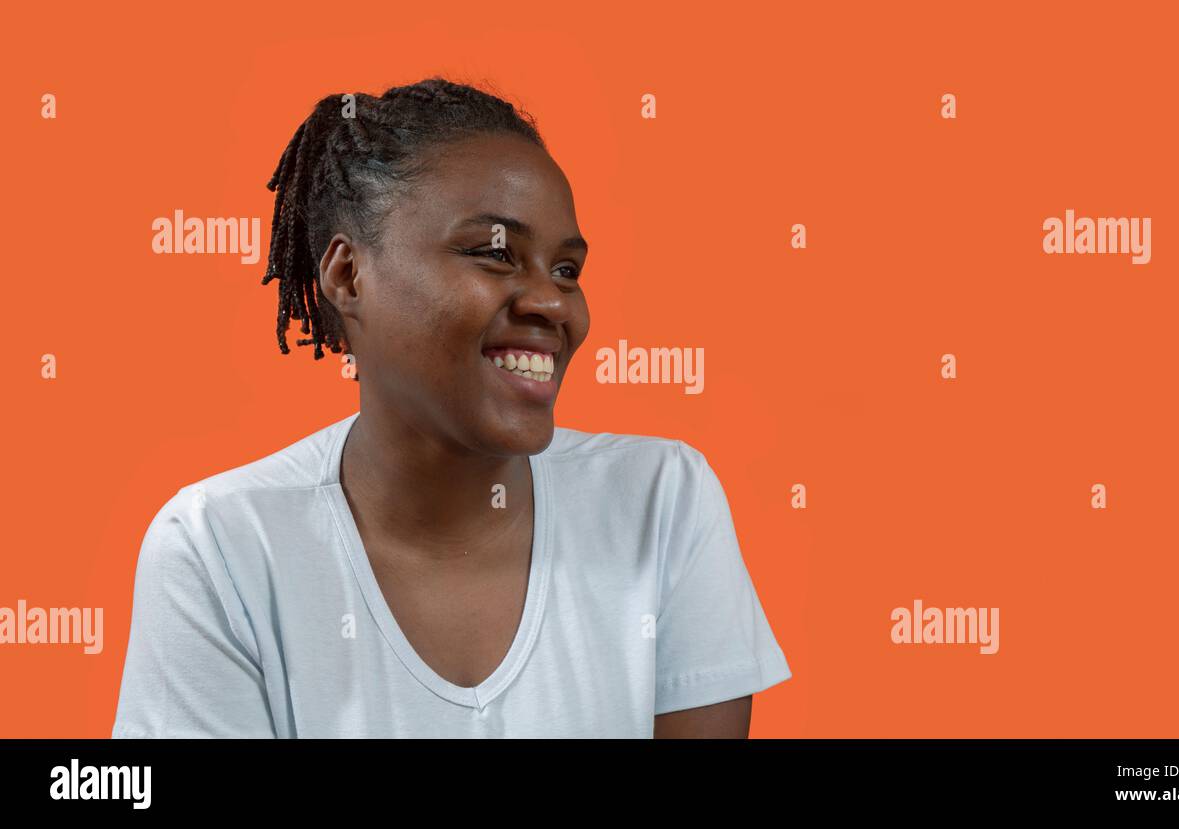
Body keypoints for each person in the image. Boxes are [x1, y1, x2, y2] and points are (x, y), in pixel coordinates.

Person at [112, 77, 791, 738]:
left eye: (566, 270)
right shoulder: (220, 548)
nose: (552, 304)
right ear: (348, 274)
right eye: (493, 254)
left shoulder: (662, 505)